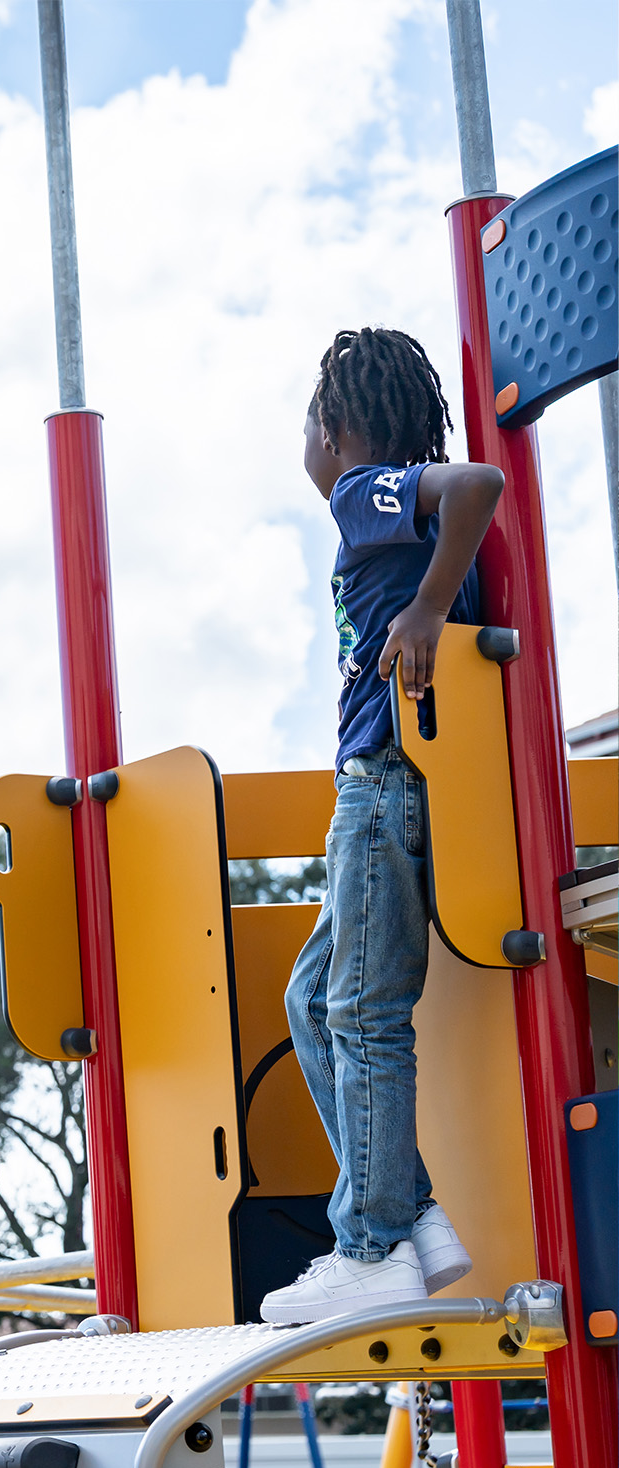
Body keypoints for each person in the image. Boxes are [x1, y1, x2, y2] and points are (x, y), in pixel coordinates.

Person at [259, 328, 502, 1324]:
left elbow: (479, 481)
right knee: (312, 996)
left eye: (308, 426)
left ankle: (367, 1246)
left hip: (382, 784)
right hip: (398, 784)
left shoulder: (369, 491)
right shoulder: (389, 513)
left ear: (335, 429)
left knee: (358, 1010)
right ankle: (416, 1215)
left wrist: (428, 611)